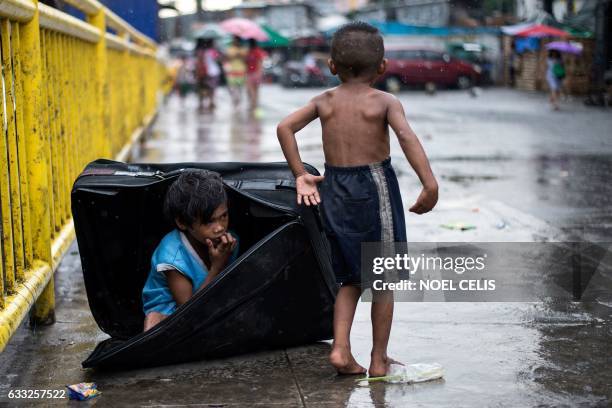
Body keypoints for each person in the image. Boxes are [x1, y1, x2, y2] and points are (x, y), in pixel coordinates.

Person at [276, 22, 438, 377]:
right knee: (382, 277)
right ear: (382, 68)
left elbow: (284, 127)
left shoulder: (324, 101)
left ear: (332, 66)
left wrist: (300, 174)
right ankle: (379, 359)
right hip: (373, 186)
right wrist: (429, 183)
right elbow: (407, 138)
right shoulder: (384, 101)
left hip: (335, 187)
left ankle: (341, 350)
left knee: (349, 277)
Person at [142, 170, 239, 331]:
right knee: (158, 322)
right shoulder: (172, 258)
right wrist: (217, 267)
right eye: (209, 222)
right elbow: (188, 312)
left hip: (208, 297)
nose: (220, 228)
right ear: (182, 223)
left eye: (224, 216)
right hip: (174, 311)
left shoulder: (229, 239)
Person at [195, 38, 222, 110]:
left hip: (204, 72)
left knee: (202, 88)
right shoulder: (213, 51)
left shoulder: (200, 51)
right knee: (212, 88)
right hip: (213, 72)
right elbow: (219, 59)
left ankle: (201, 103)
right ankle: (211, 102)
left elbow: (198, 61)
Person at [223, 35, 248, 107]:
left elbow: (245, 58)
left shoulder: (243, 49)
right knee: (232, 87)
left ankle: (238, 100)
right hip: (232, 70)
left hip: (241, 70)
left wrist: (239, 54)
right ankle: (234, 99)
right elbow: (228, 57)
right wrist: (236, 54)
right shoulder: (230, 48)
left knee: (240, 87)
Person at [246, 38, 267, 111]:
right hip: (254, 72)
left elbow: (259, 62)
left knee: (251, 90)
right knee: (255, 90)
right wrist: (260, 72)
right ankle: (254, 104)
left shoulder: (253, 52)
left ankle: (253, 104)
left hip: (252, 73)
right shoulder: (254, 51)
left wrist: (258, 72)